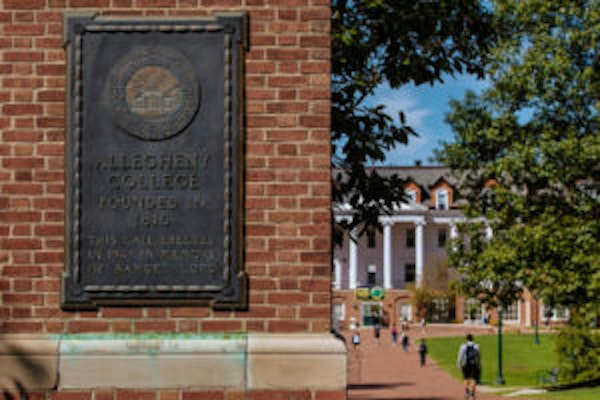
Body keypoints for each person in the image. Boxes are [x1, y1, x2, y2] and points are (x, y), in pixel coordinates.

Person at [457, 333, 481, 400]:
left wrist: (459, 364)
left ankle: (467, 392)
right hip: (473, 364)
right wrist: (478, 364)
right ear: (472, 339)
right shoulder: (477, 346)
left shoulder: (463, 346)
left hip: (466, 364)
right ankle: (472, 393)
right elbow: (478, 356)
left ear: (466, 339)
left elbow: (460, 356)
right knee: (473, 378)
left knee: (465, 378)